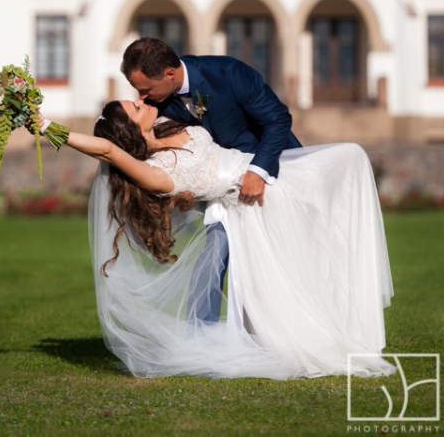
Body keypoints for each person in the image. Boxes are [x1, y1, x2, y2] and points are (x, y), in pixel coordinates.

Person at [35, 99, 394, 380]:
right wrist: (47, 127)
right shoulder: (156, 173)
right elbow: (108, 151)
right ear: (129, 129)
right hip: (257, 202)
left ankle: (350, 315)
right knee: (343, 172)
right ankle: (325, 334)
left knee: (350, 161)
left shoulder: (165, 124)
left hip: (265, 171)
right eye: (135, 108)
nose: (141, 103)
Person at [120, 38, 302, 322]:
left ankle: (280, 326)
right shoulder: (158, 102)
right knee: (215, 251)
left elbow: (277, 119)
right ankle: (203, 334)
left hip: (270, 175)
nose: (142, 97)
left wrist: (258, 170)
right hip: (223, 185)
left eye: (146, 89)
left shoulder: (229, 72)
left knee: (278, 260)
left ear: (170, 74)